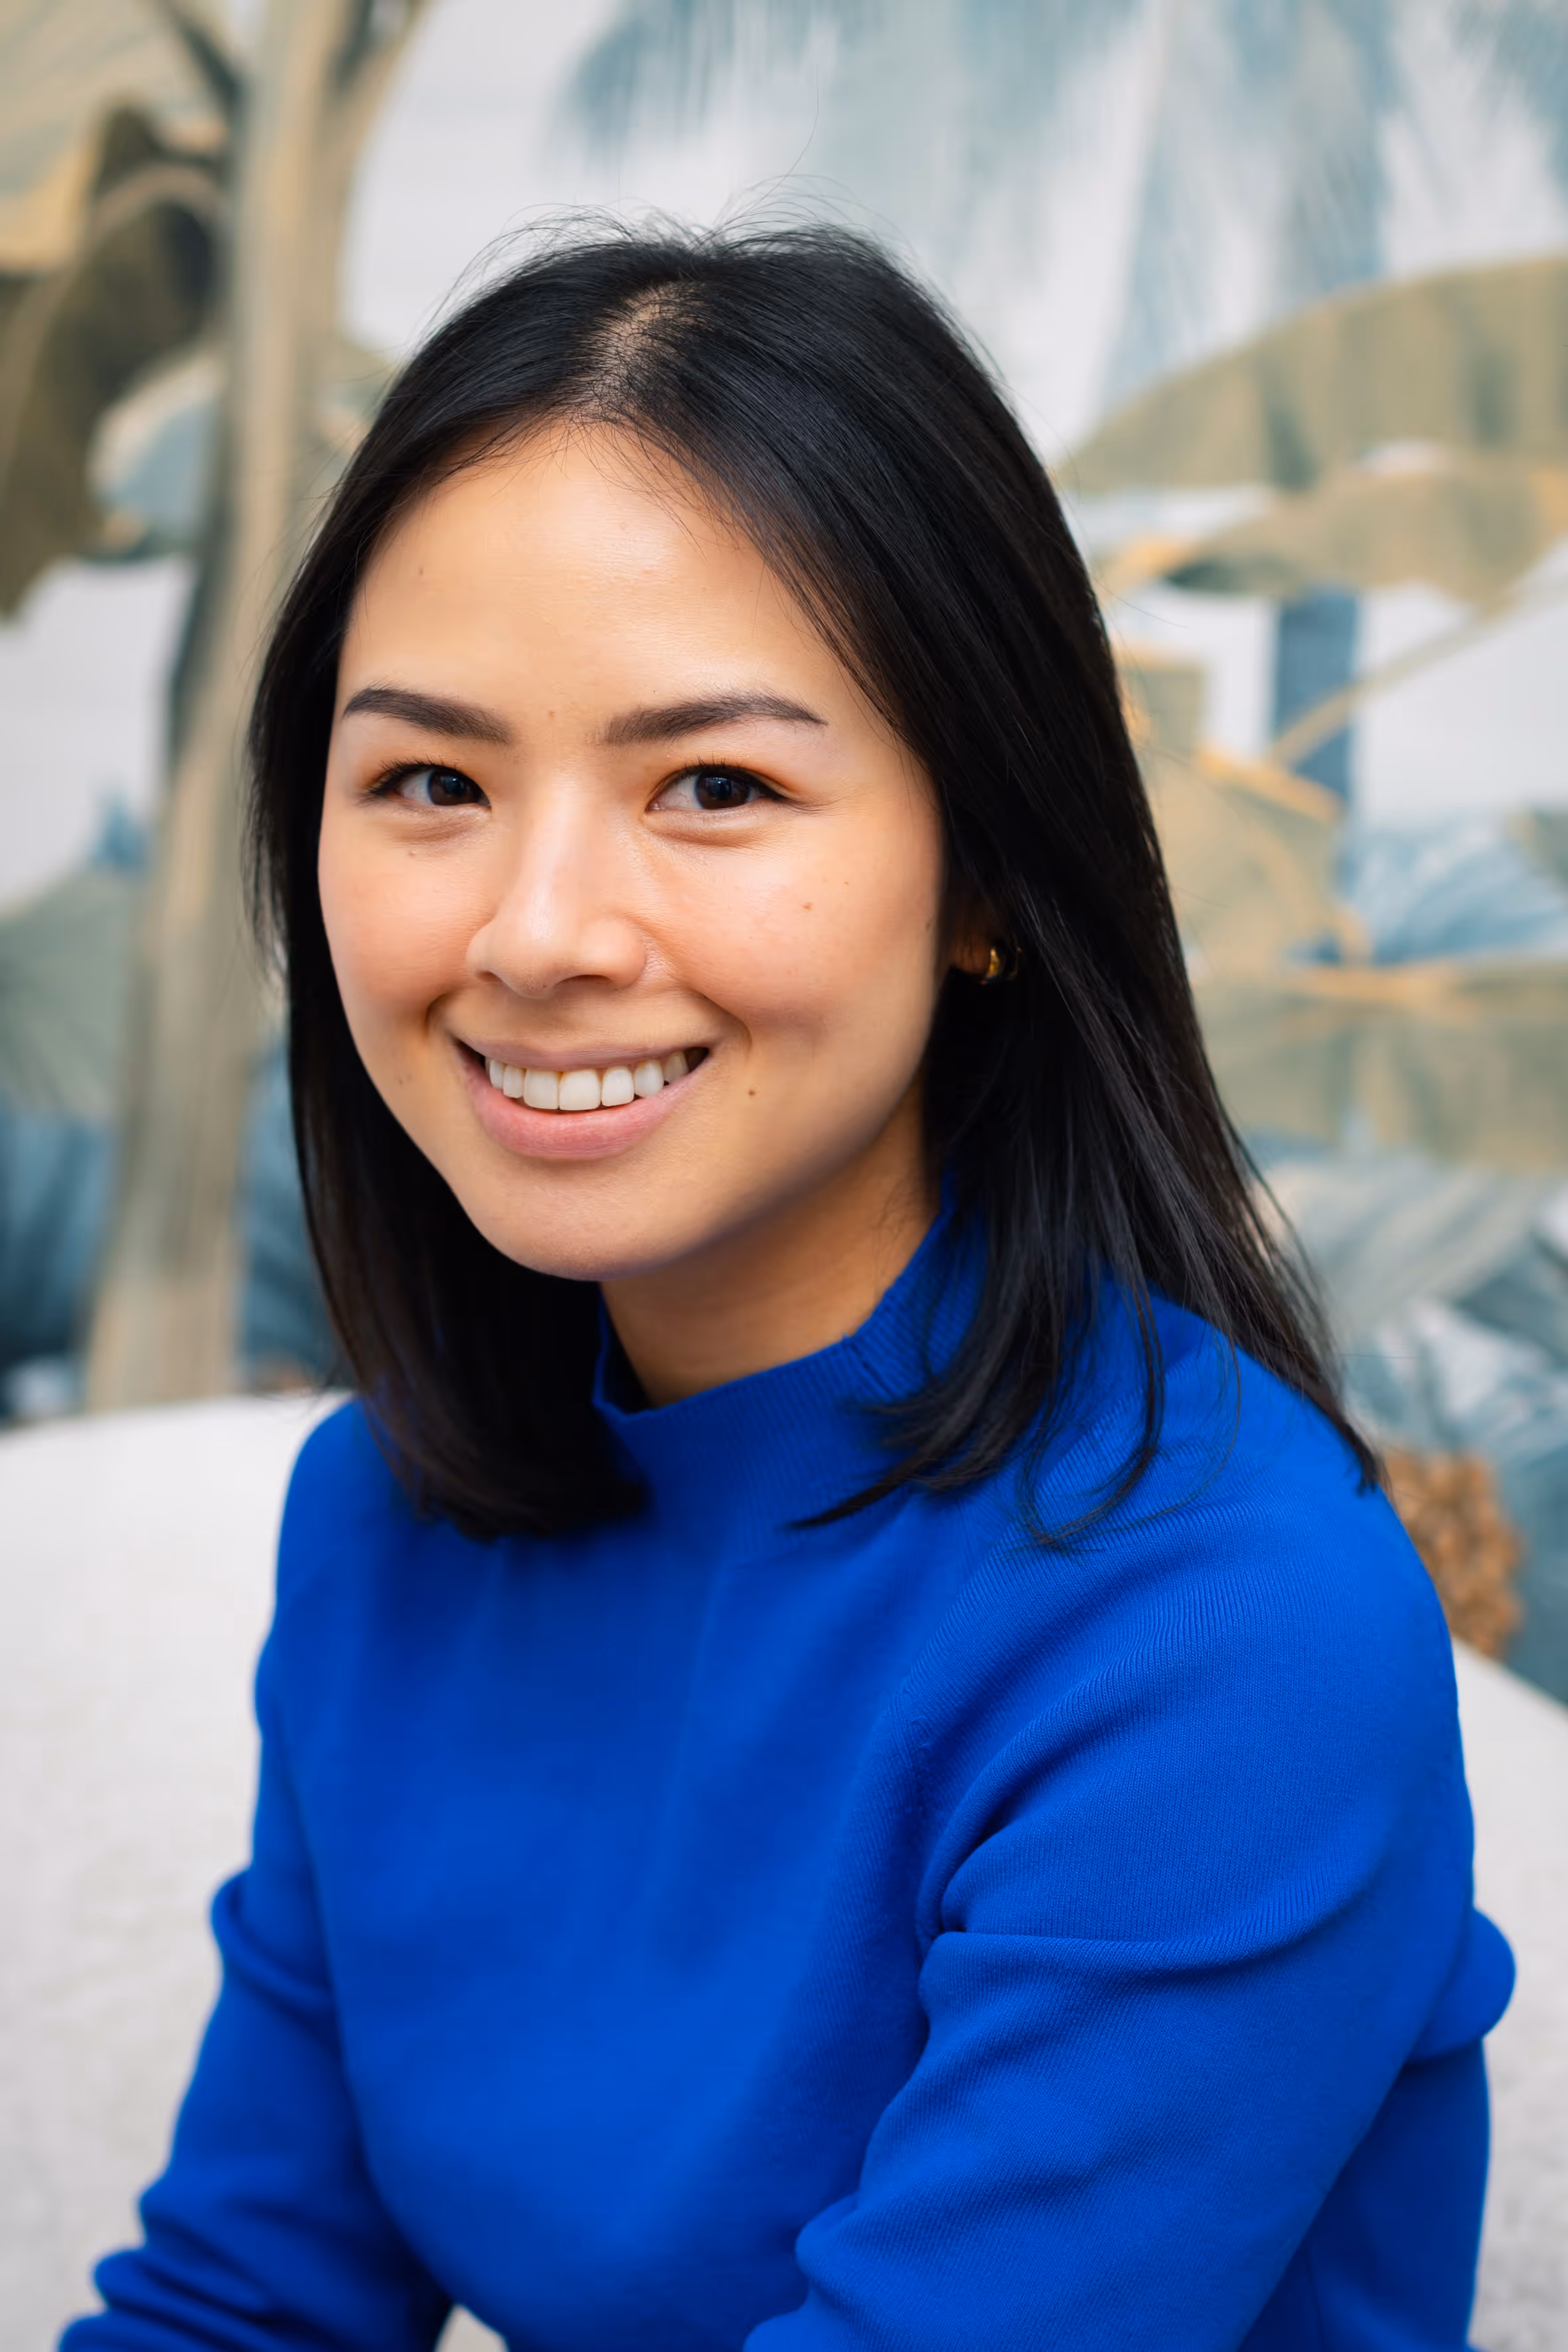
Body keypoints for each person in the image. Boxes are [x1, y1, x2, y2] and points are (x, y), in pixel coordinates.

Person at [63, 224, 1512, 2351]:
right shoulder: (382, 1515)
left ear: (987, 879)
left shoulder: (1225, 1642)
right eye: (432, 782)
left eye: (715, 786)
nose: (541, 929)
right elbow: (248, 2304)